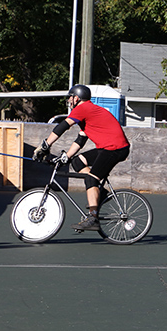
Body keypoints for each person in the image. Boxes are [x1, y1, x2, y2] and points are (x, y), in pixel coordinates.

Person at [33, 84, 130, 231]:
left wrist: (45, 145)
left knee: (91, 178)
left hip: (115, 149)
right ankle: (100, 192)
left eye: (70, 98)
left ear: (76, 98)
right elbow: (80, 140)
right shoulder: (89, 112)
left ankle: (93, 218)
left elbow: (63, 126)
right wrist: (67, 157)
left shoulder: (83, 108)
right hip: (109, 148)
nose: (69, 101)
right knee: (78, 162)